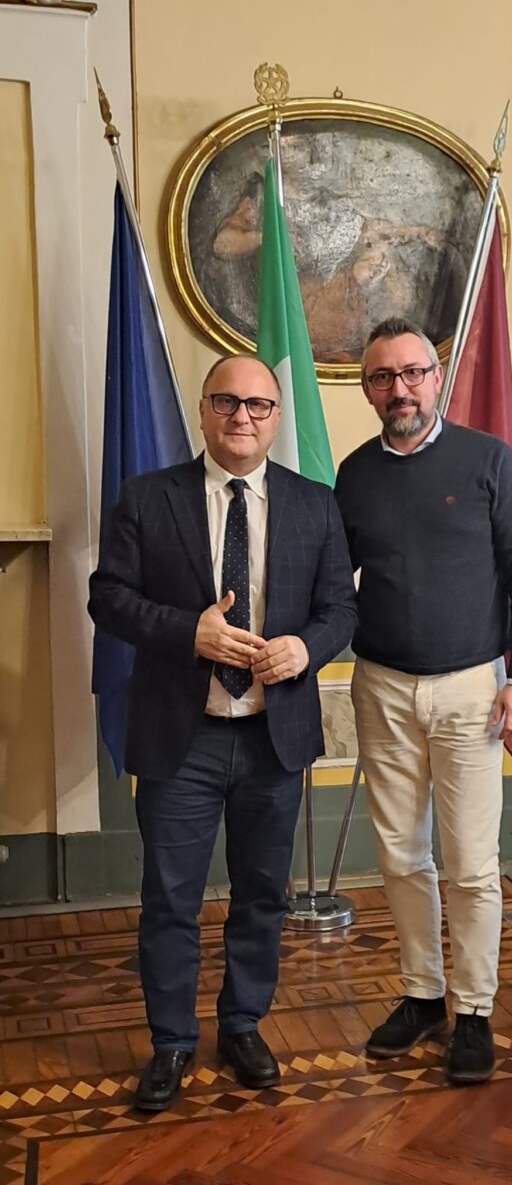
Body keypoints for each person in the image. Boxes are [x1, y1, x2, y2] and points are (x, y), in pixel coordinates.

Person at [88, 355, 356, 1110]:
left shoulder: (315, 504)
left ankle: (242, 1025)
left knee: (263, 893)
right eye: (227, 402)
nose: (243, 416)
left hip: (274, 736)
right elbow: (107, 597)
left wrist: (305, 648)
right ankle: (171, 1041)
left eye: (258, 405)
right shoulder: (148, 497)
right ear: (204, 411)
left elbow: (341, 609)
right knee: (170, 899)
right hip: (183, 740)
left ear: (276, 416)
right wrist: (189, 632)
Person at [334, 318, 512, 1086]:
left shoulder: (488, 461)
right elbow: (334, 583)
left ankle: (475, 1009)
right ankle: (424, 995)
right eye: (383, 377)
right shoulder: (354, 475)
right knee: (400, 855)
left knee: (471, 864)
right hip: (382, 688)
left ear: (437, 379)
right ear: (368, 391)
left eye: (413, 373)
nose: (400, 389)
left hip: (473, 693)